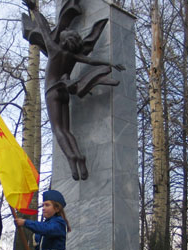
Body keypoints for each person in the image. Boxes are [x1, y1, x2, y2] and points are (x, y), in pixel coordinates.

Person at [22, 0, 124, 180]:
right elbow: (91, 61)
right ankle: (80, 157)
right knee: (67, 130)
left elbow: (44, 33)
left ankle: (73, 161)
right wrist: (110, 63)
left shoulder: (54, 50)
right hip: (64, 92)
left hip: (52, 91)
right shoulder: (73, 55)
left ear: (62, 40)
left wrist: (34, 10)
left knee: (59, 131)